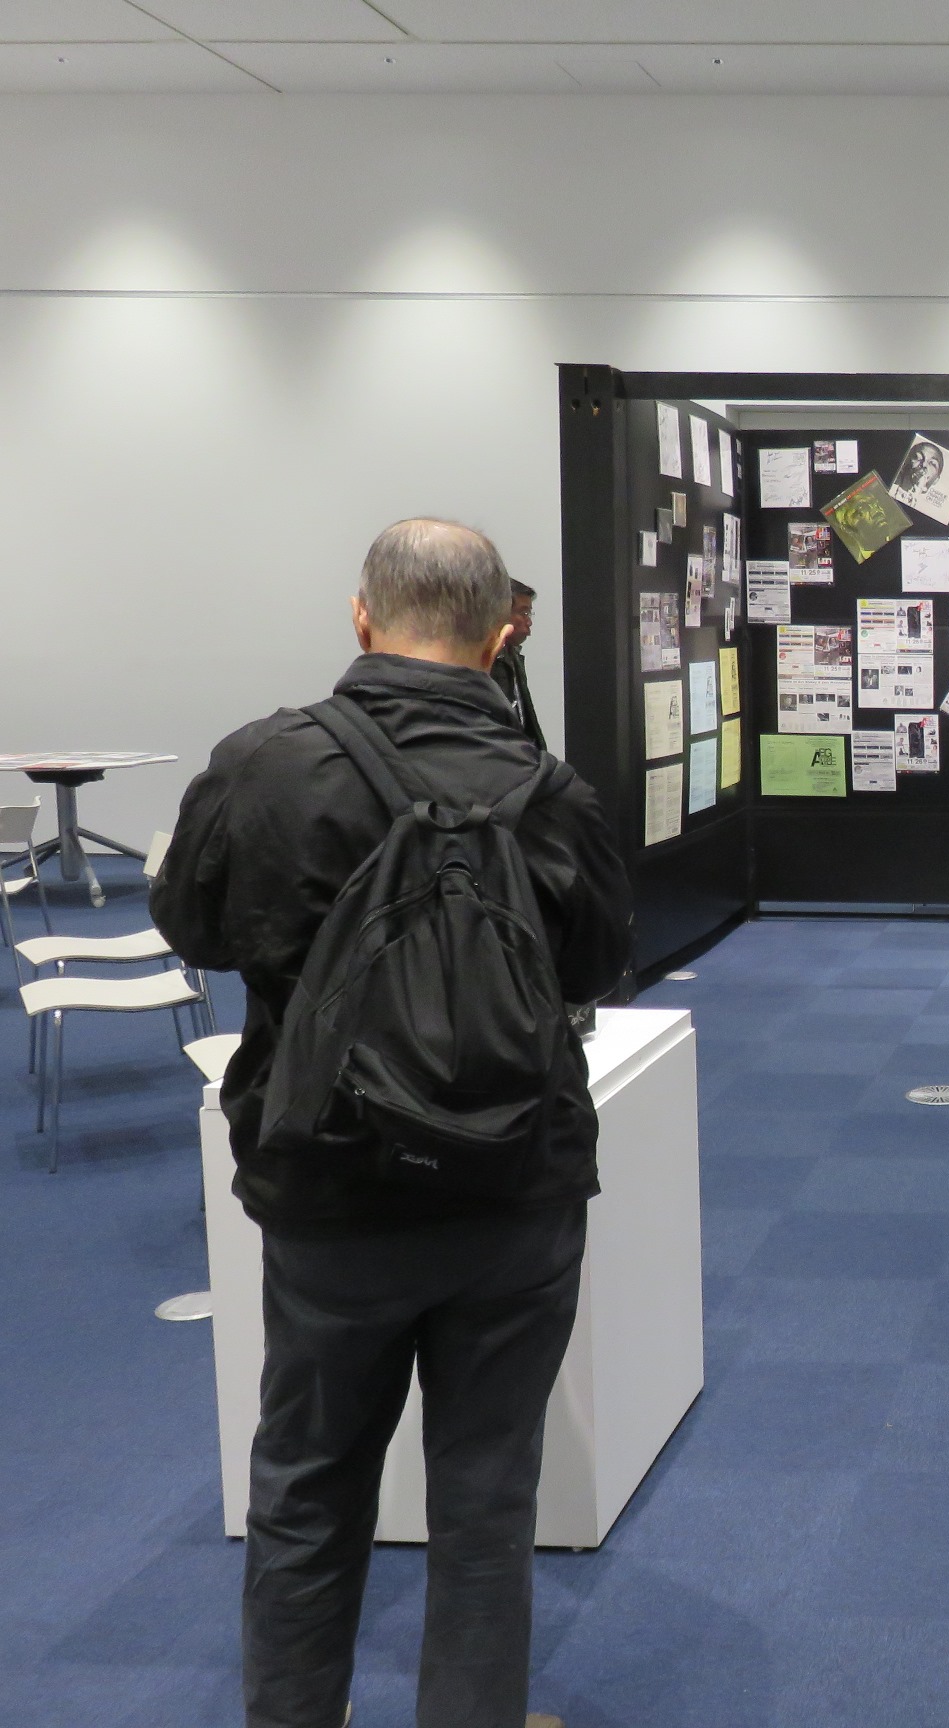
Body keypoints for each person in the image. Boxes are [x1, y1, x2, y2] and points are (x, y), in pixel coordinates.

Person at [151, 519, 631, 1728]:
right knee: (487, 1497)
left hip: (331, 1190)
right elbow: (599, 965)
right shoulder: (550, 791)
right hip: (515, 1189)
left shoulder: (265, 763)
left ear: (362, 616)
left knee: (306, 1486)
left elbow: (191, 928)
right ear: (502, 633)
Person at [490, 577, 549, 750]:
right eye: (523, 613)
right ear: (501, 613)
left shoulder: (512, 655)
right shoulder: (485, 662)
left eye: (529, 614)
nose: (529, 621)